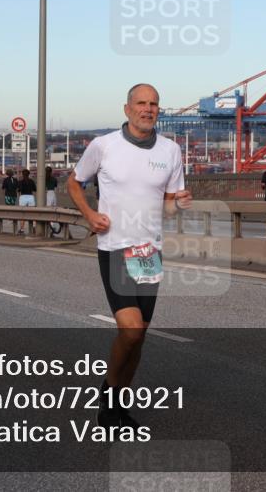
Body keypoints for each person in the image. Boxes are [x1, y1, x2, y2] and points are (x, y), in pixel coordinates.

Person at [67, 83, 191, 429]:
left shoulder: (171, 150)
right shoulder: (104, 146)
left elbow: (168, 206)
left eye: (153, 104)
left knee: (140, 337)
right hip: (115, 248)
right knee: (131, 331)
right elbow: (73, 183)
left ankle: (115, 408)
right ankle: (108, 394)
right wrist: (89, 215)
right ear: (127, 109)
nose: (147, 109)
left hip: (149, 252)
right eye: (141, 103)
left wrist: (177, 204)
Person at [17, 168, 37, 235]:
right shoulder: (31, 181)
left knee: (22, 214)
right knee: (33, 213)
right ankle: (34, 227)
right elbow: (35, 189)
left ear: (22, 175)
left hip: (23, 197)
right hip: (30, 197)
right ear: (29, 174)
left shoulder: (20, 182)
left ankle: (22, 229)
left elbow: (18, 190)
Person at [45, 166, 61, 235]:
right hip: (53, 194)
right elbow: (55, 187)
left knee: (48, 211)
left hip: (47, 193)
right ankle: (53, 227)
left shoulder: (44, 179)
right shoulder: (54, 179)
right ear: (51, 171)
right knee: (53, 211)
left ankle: (50, 227)